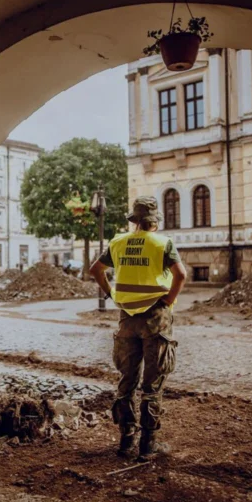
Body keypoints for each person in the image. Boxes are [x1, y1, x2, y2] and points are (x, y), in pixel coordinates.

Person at [89, 196, 187, 461]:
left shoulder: (118, 242)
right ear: (153, 222)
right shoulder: (162, 243)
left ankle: (125, 440)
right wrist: (167, 301)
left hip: (126, 319)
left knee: (127, 382)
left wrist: (110, 293)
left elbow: (95, 270)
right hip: (156, 318)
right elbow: (181, 275)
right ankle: (147, 445)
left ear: (134, 220)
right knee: (152, 385)